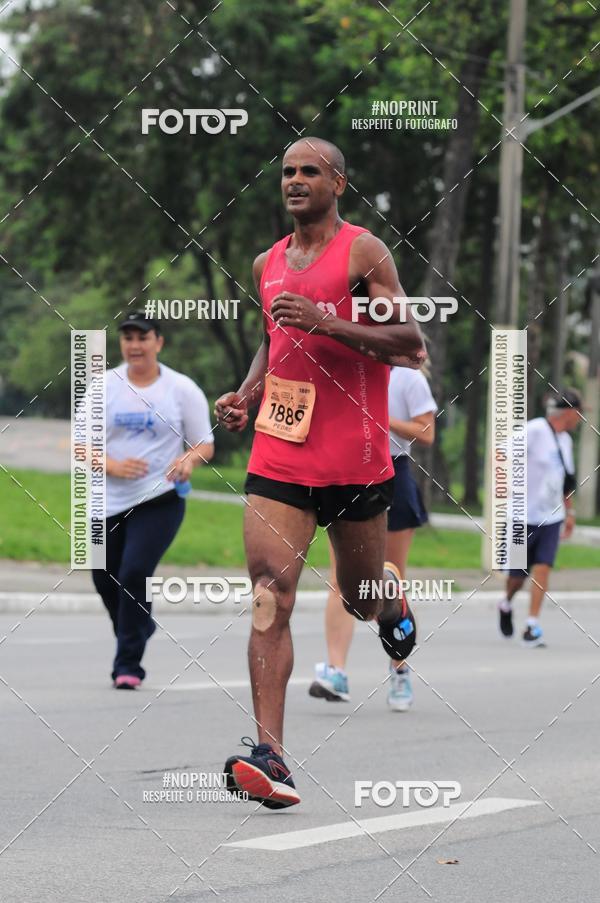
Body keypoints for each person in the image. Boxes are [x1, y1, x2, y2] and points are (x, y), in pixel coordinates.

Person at [215, 137, 426, 809]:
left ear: (339, 181)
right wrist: (248, 392)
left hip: (355, 458)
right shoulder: (266, 262)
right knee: (269, 591)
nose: (296, 181)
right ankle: (271, 756)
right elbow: (274, 337)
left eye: (310, 171)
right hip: (280, 449)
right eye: (287, 172)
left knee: (361, 598)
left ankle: (389, 599)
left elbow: (410, 343)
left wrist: (330, 320)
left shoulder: (364, 253)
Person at [92, 311, 214, 689]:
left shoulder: (181, 389)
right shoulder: (103, 387)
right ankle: (140, 624)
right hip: (106, 500)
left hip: (159, 498)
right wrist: (110, 464)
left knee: (133, 573)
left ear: (158, 342)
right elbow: (81, 446)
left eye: (142, 338)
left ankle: (128, 665)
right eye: (128, 338)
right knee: (103, 576)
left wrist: (188, 459)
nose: (135, 345)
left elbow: (205, 444)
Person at [309, 366, 437, 711]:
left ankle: (399, 668)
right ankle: (336, 671)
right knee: (339, 579)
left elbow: (426, 432)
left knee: (391, 582)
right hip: (348, 476)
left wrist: (382, 419)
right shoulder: (342, 370)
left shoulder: (408, 378)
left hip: (393, 472)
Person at [497, 388, 581, 647]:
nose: (580, 419)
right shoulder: (534, 431)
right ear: (568, 412)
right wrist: (504, 485)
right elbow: (501, 452)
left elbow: (565, 481)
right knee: (518, 576)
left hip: (551, 516)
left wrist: (570, 512)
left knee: (543, 568)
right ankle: (506, 603)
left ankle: (532, 625)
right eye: (578, 413)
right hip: (522, 516)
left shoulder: (565, 441)